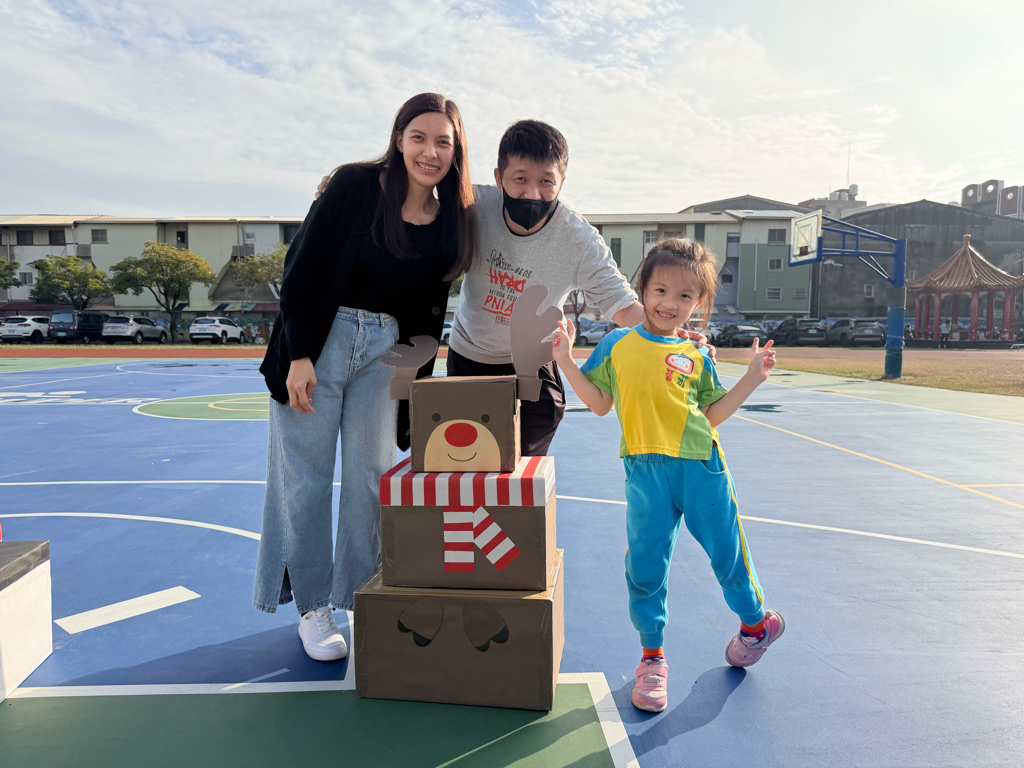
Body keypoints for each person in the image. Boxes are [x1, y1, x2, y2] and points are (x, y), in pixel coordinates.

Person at [254, 93, 476, 662]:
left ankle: (359, 593)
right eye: (419, 137)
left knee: (372, 478)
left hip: (387, 353)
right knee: (305, 478)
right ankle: (313, 607)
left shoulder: (450, 220)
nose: (430, 152)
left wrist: (414, 389)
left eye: (444, 142)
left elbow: (428, 311)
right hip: (320, 342)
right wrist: (300, 354)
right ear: (399, 139)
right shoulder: (355, 185)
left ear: (456, 152)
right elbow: (302, 266)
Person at [551, 238, 784, 713]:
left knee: (727, 557)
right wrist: (565, 361)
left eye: (684, 296)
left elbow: (711, 415)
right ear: (642, 289)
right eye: (660, 290)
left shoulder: (697, 355)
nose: (669, 304)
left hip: (701, 469)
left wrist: (751, 378)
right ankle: (652, 659)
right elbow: (599, 404)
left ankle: (756, 625)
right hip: (644, 474)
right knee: (645, 567)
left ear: (699, 303)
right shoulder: (617, 344)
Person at [446, 120, 709, 456]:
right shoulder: (471, 205)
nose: (533, 194)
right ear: (499, 179)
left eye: (546, 182)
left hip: (535, 364)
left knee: (521, 473)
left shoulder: (579, 240)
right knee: (463, 464)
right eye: (520, 179)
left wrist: (674, 334)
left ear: (562, 182)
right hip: (470, 358)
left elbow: (623, 306)